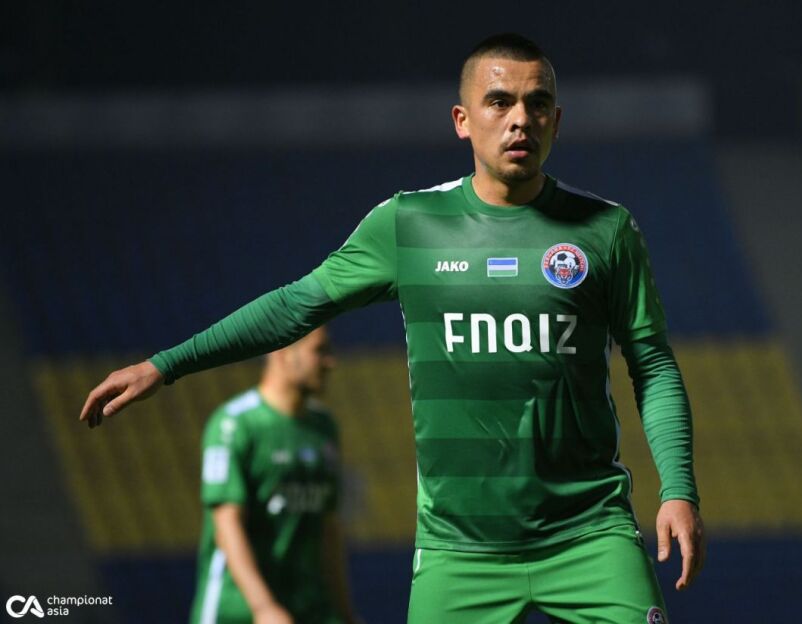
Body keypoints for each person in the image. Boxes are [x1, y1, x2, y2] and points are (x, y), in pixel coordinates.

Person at [81, 33, 705, 624]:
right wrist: (166, 364)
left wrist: (678, 490)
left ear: (556, 121)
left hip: (590, 534)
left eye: (537, 104)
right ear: (463, 120)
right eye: (499, 102)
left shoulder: (607, 230)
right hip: (459, 551)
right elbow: (295, 306)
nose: (520, 119)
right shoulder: (409, 224)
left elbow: (652, 363)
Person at [188, 328, 360, 624]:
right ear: (282, 352)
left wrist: (345, 613)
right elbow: (226, 522)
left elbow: (329, 528)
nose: (331, 362)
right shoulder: (234, 424)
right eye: (319, 351)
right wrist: (263, 607)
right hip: (239, 609)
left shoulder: (324, 426)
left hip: (307, 607)